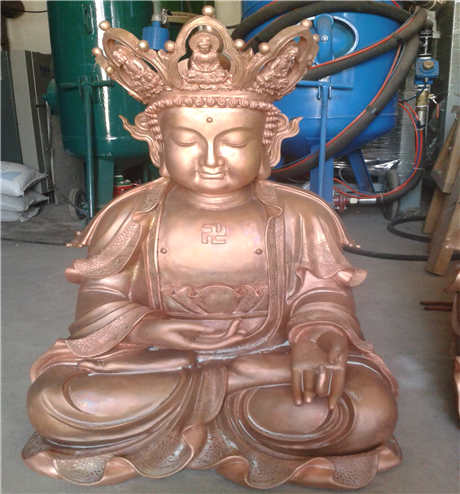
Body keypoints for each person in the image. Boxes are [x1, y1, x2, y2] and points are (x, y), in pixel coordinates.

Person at [23, 7, 401, 490]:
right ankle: (232, 415)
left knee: (369, 406)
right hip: (163, 360)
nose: (209, 159)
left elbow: (322, 294)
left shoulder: (300, 215)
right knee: (54, 401)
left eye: (233, 141)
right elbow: (99, 304)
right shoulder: (131, 215)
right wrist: (154, 327)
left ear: (268, 149)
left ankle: (201, 418)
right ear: (158, 149)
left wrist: (313, 338)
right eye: (186, 140)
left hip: (270, 357)